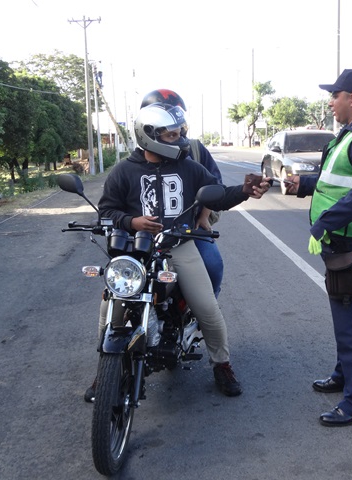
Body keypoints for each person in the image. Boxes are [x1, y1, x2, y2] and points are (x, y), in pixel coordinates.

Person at [85, 102, 270, 402]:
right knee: (109, 310)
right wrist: (133, 222)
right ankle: (106, 368)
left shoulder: (188, 167)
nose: (179, 139)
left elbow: (218, 195)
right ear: (149, 135)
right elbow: (106, 211)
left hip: (179, 246)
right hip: (136, 251)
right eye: (171, 135)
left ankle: (221, 364)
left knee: (207, 308)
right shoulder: (124, 171)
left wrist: (245, 191)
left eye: (179, 133)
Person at [285, 69, 352, 426]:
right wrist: (304, 184)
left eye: (335, 95)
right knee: (345, 318)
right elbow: (338, 182)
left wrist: (324, 222)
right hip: (341, 242)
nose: (331, 102)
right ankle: (345, 374)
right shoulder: (351, 134)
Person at [140, 89, 225, 298]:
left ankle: (209, 304)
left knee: (213, 266)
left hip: (188, 230)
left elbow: (215, 185)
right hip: (146, 233)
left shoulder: (194, 148)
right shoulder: (140, 155)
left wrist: (204, 217)